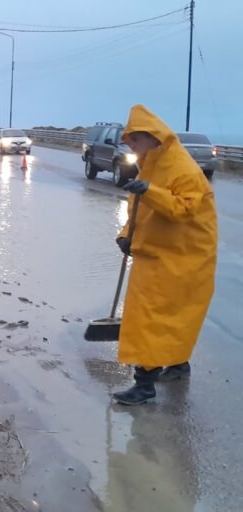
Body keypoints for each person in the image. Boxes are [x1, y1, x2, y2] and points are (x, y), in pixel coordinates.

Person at [113, 104, 217, 406]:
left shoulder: (183, 169)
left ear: (151, 135)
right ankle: (177, 364)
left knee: (149, 318)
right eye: (127, 140)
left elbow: (183, 210)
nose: (129, 145)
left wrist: (150, 191)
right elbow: (139, 211)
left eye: (133, 139)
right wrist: (125, 236)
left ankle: (144, 384)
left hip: (184, 257)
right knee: (173, 318)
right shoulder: (152, 161)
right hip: (163, 253)